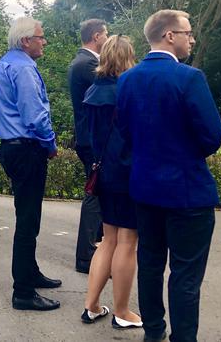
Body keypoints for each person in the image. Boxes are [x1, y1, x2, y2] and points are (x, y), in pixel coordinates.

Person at [117, 9, 221, 342]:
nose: (191, 39)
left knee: (149, 264)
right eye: (188, 33)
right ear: (169, 36)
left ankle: (153, 332)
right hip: (186, 193)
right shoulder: (190, 78)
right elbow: (213, 135)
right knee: (185, 275)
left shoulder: (127, 79)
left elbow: (124, 132)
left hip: (145, 189)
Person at [0, 16, 61, 311]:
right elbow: (35, 116)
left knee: (27, 217)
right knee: (28, 221)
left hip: (12, 149)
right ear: (25, 41)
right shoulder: (23, 68)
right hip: (27, 150)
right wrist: (51, 144)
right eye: (41, 37)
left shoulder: (5, 64)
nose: (44, 42)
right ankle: (23, 292)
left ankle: (30, 273)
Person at [80, 35, 142, 330]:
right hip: (127, 175)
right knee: (127, 243)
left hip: (102, 173)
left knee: (107, 241)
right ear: (129, 58)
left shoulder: (93, 90)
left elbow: (89, 138)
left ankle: (91, 306)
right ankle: (122, 311)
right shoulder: (129, 91)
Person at [68, 18, 108, 274]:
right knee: (95, 192)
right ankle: (88, 255)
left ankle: (100, 249)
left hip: (86, 137)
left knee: (98, 191)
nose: (108, 38)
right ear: (96, 36)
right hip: (92, 139)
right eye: (106, 34)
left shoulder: (80, 61)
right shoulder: (89, 64)